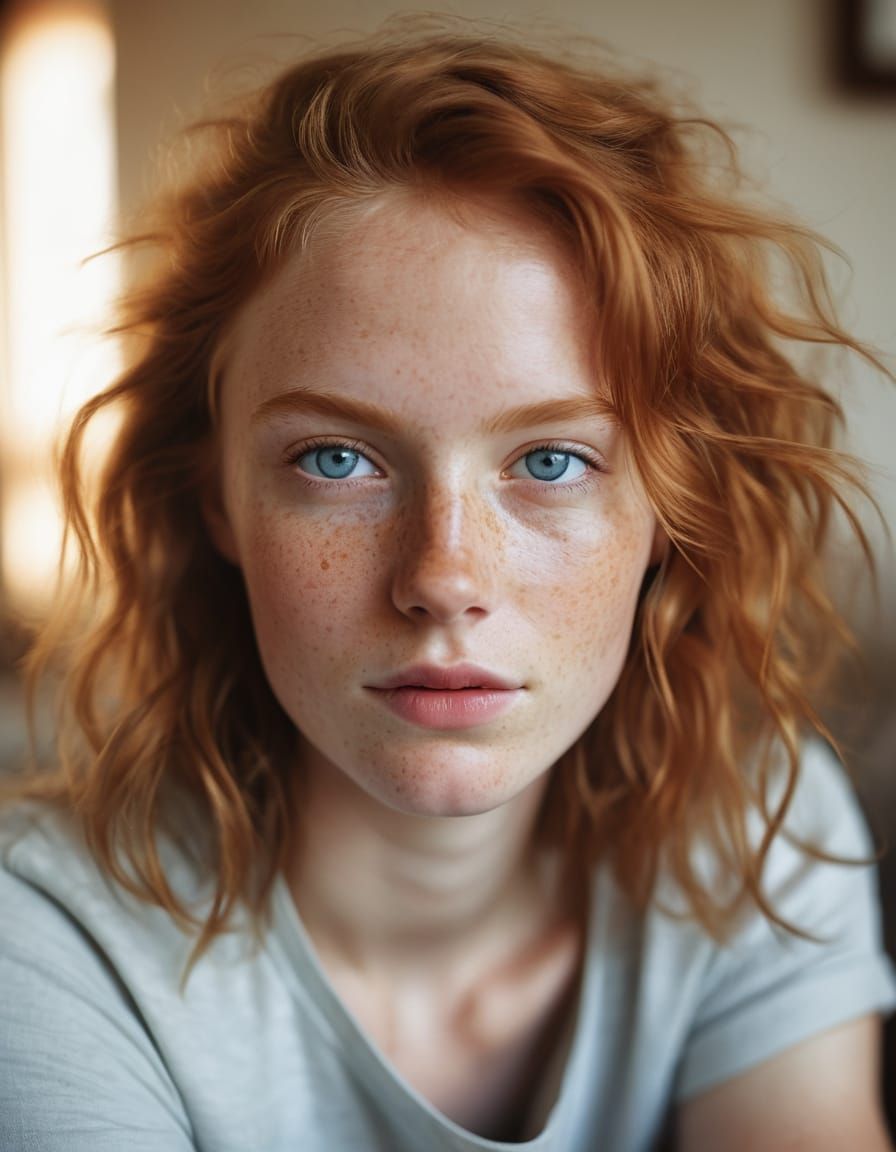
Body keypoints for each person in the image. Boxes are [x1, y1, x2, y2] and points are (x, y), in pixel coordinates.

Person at [1, 18, 894, 1152]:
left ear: (669, 511)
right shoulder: (46, 937)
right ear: (215, 497)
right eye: (336, 460)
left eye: (550, 462)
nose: (442, 578)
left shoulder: (750, 836)